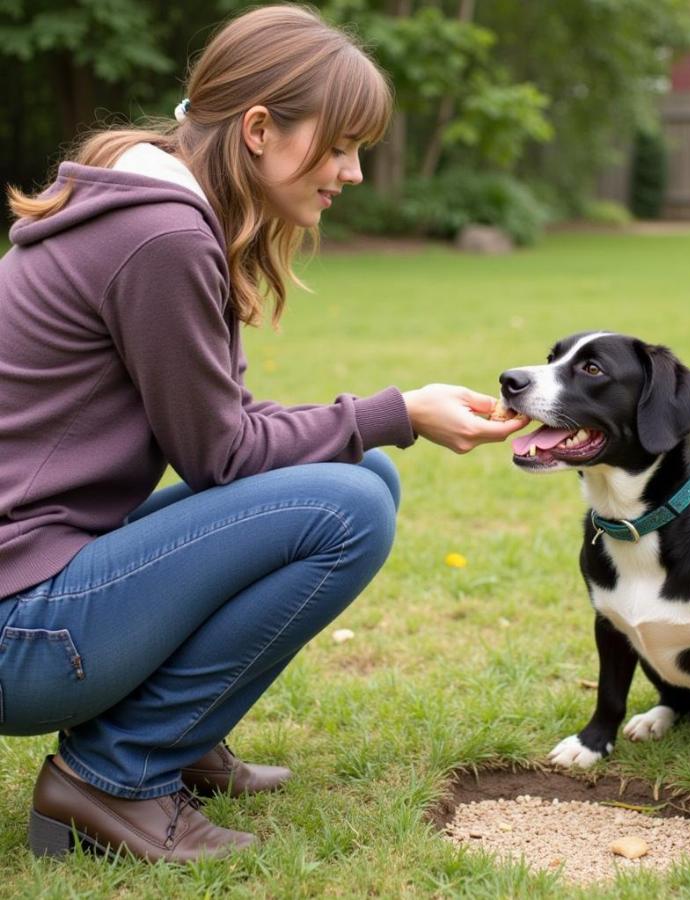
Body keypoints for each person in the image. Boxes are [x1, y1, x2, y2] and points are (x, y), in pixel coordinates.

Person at [0, 3, 527, 863]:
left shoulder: (153, 203)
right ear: (256, 129)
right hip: (19, 628)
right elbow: (223, 456)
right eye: (340, 145)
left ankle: (171, 731)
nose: (353, 173)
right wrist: (396, 414)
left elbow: (224, 435)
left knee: (367, 483)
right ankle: (115, 775)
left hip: (32, 593)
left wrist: (389, 422)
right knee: (350, 505)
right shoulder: (160, 234)